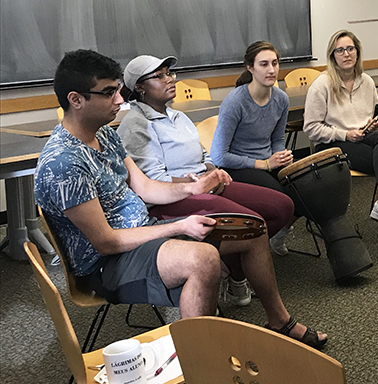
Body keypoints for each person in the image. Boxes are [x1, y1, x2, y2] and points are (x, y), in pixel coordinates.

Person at [34, 50, 327, 348]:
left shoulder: (104, 135)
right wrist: (179, 226)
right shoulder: (64, 163)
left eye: (118, 90)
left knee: (251, 228)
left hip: (140, 233)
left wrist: (192, 188)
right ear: (76, 99)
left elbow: (146, 187)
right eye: (110, 93)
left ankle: (279, 319)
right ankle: (201, 368)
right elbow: (107, 242)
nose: (121, 100)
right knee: (203, 259)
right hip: (106, 264)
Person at [117, 54, 295, 305]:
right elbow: (153, 180)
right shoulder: (137, 123)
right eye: (160, 76)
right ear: (139, 87)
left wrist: (212, 171)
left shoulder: (178, 116)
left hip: (205, 186)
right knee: (249, 223)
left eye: (170, 73)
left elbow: (204, 154)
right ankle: (234, 275)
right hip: (169, 200)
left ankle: (233, 268)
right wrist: (197, 185)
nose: (170, 79)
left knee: (281, 207)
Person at [302, 29, 378, 252]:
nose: (346, 54)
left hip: (363, 139)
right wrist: (345, 134)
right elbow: (311, 129)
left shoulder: (366, 81)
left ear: (357, 53)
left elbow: (372, 116)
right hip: (332, 145)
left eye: (350, 48)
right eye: (340, 50)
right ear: (332, 56)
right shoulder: (321, 85)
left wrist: (372, 124)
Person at [210, 41, 297, 256]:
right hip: (239, 167)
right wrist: (264, 164)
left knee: (307, 188)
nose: (271, 70)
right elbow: (219, 156)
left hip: (267, 161)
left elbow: (277, 138)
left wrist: (280, 155)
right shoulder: (235, 102)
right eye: (264, 64)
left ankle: (275, 236)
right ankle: (251, 250)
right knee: (282, 198)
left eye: (275, 63)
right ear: (250, 67)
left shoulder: (281, 99)